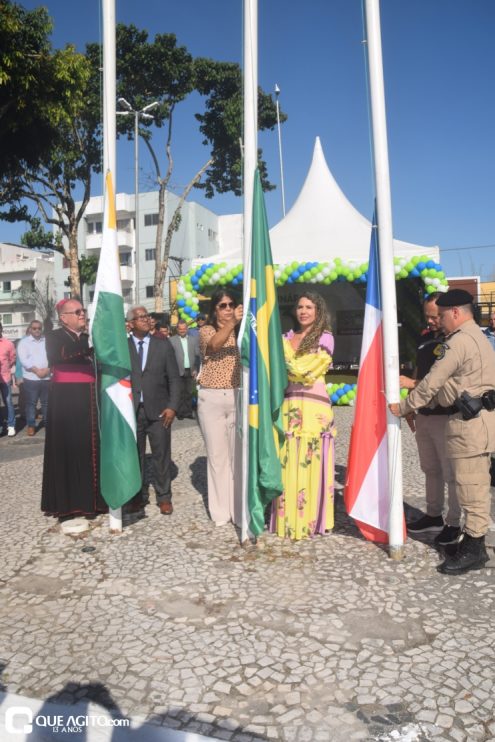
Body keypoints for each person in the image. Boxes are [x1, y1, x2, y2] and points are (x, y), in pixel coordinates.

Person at [390, 289, 495, 576]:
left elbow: (431, 383)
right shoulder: (479, 337)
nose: (441, 321)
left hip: (468, 424)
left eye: (443, 315)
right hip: (478, 420)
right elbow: (450, 385)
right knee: (472, 485)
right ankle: (471, 542)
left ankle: (474, 549)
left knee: (470, 487)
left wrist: (404, 407)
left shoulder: (459, 341)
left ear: (456, 313)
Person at [271, 292, 336, 540]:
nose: (303, 311)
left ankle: (311, 521)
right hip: (290, 406)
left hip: (314, 409)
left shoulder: (325, 338)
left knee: (312, 461)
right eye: (300, 306)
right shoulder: (286, 338)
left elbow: (307, 373)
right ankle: (286, 520)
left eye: (309, 307)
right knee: (287, 460)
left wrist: (284, 356)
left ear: (318, 311)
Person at [399, 293, 461, 545]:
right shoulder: (425, 338)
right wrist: (412, 402)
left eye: (436, 316)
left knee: (451, 473)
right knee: (430, 469)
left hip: (446, 416)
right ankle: (433, 515)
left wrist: (412, 383)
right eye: (428, 315)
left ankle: (454, 523)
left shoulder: (456, 342)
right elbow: (419, 369)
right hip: (424, 414)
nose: (432, 320)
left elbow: (447, 382)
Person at [41, 299, 107, 518]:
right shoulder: (53, 337)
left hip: (90, 399)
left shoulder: (88, 338)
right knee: (67, 449)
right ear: (63, 317)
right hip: (65, 402)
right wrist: (91, 344)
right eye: (77, 311)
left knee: (91, 449)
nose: (82, 314)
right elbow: (60, 355)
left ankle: (93, 502)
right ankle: (69, 504)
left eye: (83, 311)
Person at [127, 305, 181, 515]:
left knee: (161, 455)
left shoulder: (162, 344)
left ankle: (164, 496)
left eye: (146, 316)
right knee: (135, 456)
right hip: (133, 410)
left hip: (159, 410)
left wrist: (172, 407)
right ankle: (137, 496)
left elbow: (174, 379)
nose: (145, 319)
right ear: (130, 323)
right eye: (140, 317)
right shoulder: (124, 346)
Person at [197, 289, 243, 526]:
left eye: (231, 304)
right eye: (222, 305)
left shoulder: (243, 331)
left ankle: (238, 509)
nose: (227, 309)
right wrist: (233, 322)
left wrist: (239, 324)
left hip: (237, 396)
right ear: (214, 310)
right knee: (217, 458)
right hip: (212, 398)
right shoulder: (206, 330)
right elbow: (215, 345)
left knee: (238, 457)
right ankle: (220, 512)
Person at [17, 320, 51, 436]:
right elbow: (24, 360)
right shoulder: (24, 343)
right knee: (31, 403)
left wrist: (47, 370)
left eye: (39, 328)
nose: (37, 330)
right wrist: (37, 371)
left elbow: (52, 357)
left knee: (46, 403)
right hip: (31, 378)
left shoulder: (47, 341)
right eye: (34, 328)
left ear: (42, 329)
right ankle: (31, 425)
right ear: (30, 329)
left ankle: (48, 425)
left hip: (47, 377)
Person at [169, 319, 201, 419]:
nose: (182, 331)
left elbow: (197, 355)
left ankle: (188, 412)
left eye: (184, 329)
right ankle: (180, 413)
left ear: (187, 329)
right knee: (179, 393)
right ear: (177, 329)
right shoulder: (171, 340)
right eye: (180, 329)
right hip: (177, 370)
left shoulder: (193, 339)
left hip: (190, 370)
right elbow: (169, 357)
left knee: (189, 392)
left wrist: (196, 368)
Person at [0, 321, 17, 436]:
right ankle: (0, 426)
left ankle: (11, 425)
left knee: (8, 402)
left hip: (5, 378)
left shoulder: (8, 343)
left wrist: (5, 367)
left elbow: (12, 359)